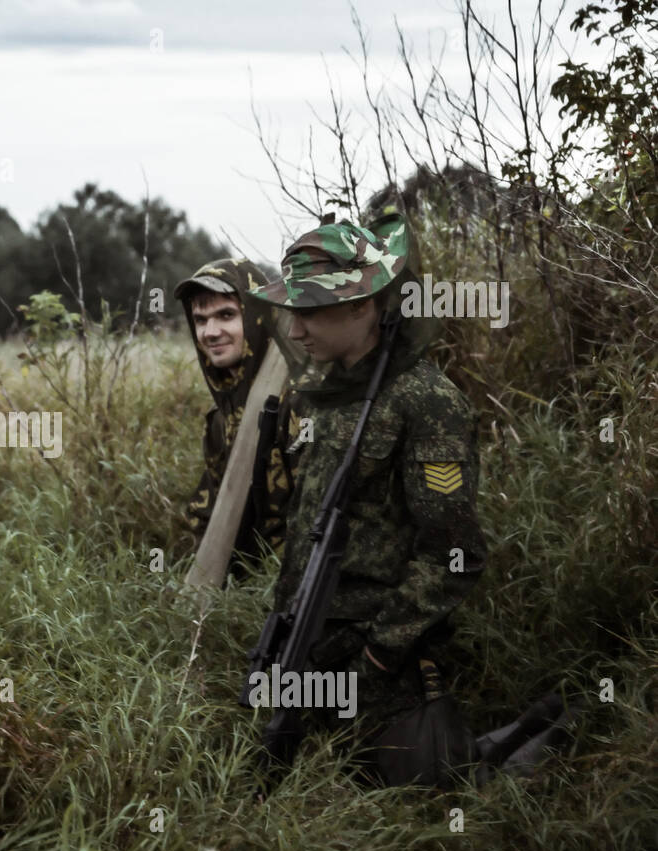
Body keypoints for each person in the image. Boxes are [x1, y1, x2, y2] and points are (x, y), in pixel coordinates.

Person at [245, 211, 487, 786]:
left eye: (311, 313)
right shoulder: (325, 396)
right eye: (292, 313)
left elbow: (454, 555)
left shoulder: (427, 404)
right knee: (273, 778)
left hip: (382, 658)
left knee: (418, 787)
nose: (296, 331)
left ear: (363, 304)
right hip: (307, 642)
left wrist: (380, 655)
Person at [173, 259, 299, 568]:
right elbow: (207, 514)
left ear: (256, 316)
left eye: (226, 315)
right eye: (200, 320)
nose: (210, 332)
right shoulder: (221, 416)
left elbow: (317, 513)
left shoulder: (295, 401)